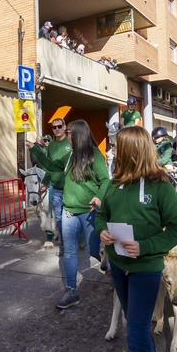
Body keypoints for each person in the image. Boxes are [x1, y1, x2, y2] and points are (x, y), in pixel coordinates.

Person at [96, 126, 177, 352]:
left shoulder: (161, 185)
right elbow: (102, 215)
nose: (113, 152)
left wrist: (145, 246)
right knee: (135, 322)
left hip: (146, 269)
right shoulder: (114, 184)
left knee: (134, 338)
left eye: (117, 147)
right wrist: (101, 231)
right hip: (118, 267)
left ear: (132, 151)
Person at [40, 120, 109, 309]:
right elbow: (51, 165)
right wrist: (35, 150)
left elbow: (105, 181)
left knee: (94, 250)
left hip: (89, 212)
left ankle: (114, 271)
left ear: (78, 135)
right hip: (69, 212)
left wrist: (99, 197)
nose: (66, 135)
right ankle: (71, 291)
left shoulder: (95, 156)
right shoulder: (70, 156)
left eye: (69, 132)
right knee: (69, 252)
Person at [27, 118, 72, 254]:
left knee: (72, 216)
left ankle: (80, 236)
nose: (57, 129)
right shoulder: (51, 146)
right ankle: (64, 244)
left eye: (59, 126)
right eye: (54, 127)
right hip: (57, 188)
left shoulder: (71, 142)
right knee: (59, 218)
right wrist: (45, 182)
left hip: (71, 187)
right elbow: (48, 166)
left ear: (64, 127)